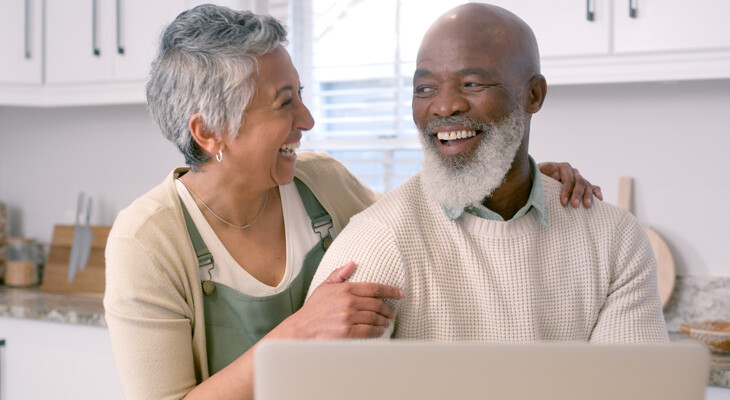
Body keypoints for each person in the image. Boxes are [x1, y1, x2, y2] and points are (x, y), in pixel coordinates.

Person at [104, 4, 603, 400]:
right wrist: (296, 333)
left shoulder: (320, 183)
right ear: (210, 131)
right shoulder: (148, 240)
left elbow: (432, 215)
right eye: (285, 102)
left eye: (300, 94)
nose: (307, 119)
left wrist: (524, 176)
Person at [309, 3, 669, 344]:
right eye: (425, 88)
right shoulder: (378, 241)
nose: (445, 105)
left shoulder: (614, 238)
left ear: (534, 95)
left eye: (472, 84)